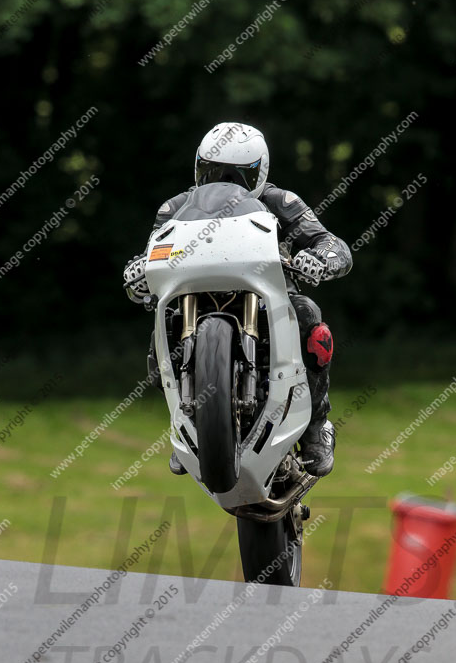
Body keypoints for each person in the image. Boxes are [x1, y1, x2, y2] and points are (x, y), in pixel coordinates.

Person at [123, 122, 352, 478]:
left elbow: (332, 243)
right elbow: (153, 254)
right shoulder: (175, 209)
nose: (223, 183)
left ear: (259, 173)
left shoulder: (280, 202)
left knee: (310, 317)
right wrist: (139, 271)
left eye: (235, 176)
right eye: (213, 172)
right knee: (161, 330)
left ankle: (316, 429)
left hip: (267, 303)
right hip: (195, 298)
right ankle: (187, 428)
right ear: (199, 169)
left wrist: (320, 259)